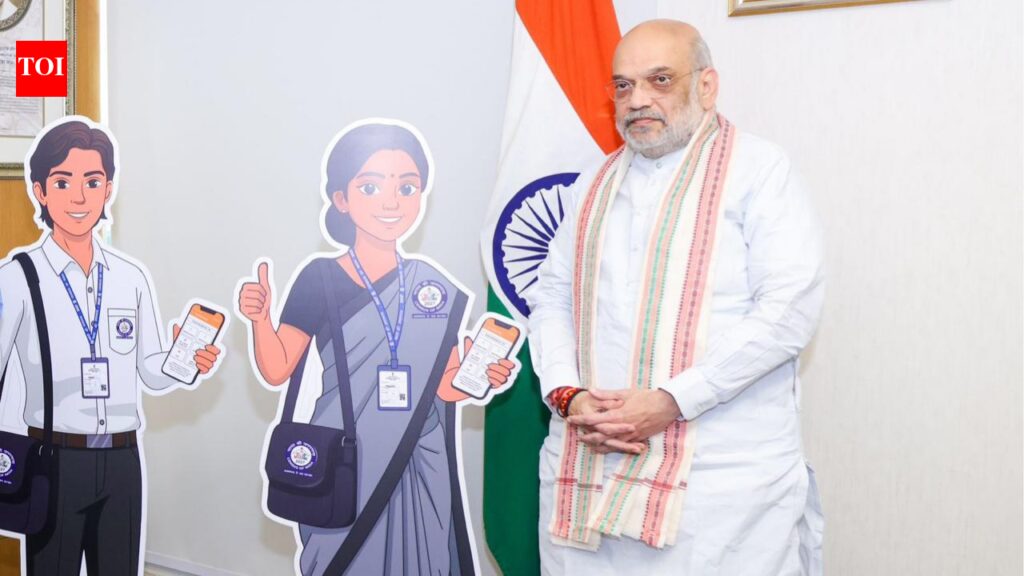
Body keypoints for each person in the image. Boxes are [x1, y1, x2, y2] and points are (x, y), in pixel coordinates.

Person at [526, 20, 825, 575]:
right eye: (623, 85)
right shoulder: (591, 183)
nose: (637, 99)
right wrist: (568, 395)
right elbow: (552, 298)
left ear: (707, 86)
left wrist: (672, 399)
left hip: (719, 484)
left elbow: (789, 311)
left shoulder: (760, 171)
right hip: (590, 468)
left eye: (659, 79)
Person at [238, 120, 515, 576]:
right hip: (343, 459)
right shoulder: (319, 278)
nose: (391, 202)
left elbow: (444, 387)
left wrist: (477, 377)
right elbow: (277, 367)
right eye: (370, 187)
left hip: (418, 462)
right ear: (342, 200)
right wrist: (260, 319)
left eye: (407, 188)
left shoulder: (432, 287)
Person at [0, 117, 222, 576]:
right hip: (53, 460)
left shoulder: (129, 277)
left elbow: (150, 370)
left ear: (109, 189)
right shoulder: (18, 278)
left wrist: (185, 361)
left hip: (123, 461)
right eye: (63, 182)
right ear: (40, 191)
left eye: (93, 181)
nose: (79, 197)